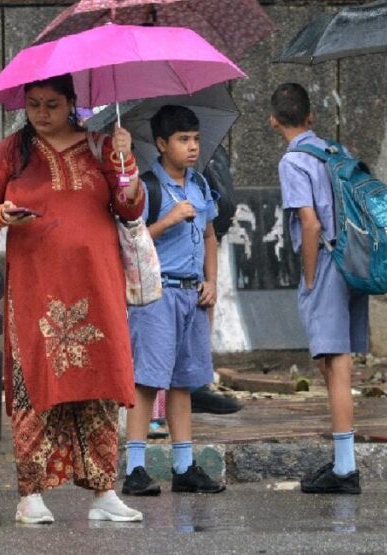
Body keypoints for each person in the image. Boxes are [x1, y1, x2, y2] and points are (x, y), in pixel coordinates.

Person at [0, 74, 145, 524]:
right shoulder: (10, 152)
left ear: (72, 103)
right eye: (33, 105)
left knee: (101, 380)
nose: (42, 114)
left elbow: (129, 209)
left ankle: (104, 492)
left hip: (96, 285)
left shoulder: (105, 146)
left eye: (51, 104)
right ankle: (30, 495)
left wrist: (126, 166)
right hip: (35, 287)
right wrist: (0, 214)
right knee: (35, 383)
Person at [269, 83, 368, 495]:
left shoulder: (293, 162)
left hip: (326, 260)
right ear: (310, 117)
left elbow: (309, 224)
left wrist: (310, 278)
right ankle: (342, 460)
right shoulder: (335, 151)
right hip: (354, 261)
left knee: (336, 365)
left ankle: (346, 468)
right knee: (334, 363)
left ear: (273, 121)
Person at [122, 105, 224, 497]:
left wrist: (212, 282)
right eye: (183, 140)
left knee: (184, 381)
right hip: (157, 294)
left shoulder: (199, 185)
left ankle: (184, 465)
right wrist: (168, 220)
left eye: (195, 139)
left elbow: (211, 236)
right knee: (147, 380)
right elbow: (133, 238)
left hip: (192, 294)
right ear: (162, 144)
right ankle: (135, 468)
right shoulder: (148, 186)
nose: (192, 147)